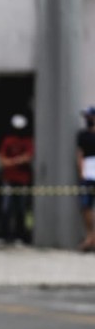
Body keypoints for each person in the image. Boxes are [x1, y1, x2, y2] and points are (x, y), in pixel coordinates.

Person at [0, 113, 34, 246]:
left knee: (21, 208)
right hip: (8, 179)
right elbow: (1, 160)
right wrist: (18, 160)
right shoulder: (7, 140)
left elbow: (28, 157)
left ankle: (20, 236)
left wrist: (10, 161)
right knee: (6, 208)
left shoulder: (28, 141)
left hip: (23, 179)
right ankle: (3, 236)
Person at [77, 106, 95, 252]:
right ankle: (90, 236)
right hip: (88, 172)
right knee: (86, 206)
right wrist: (81, 172)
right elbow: (80, 154)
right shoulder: (83, 135)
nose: (87, 120)